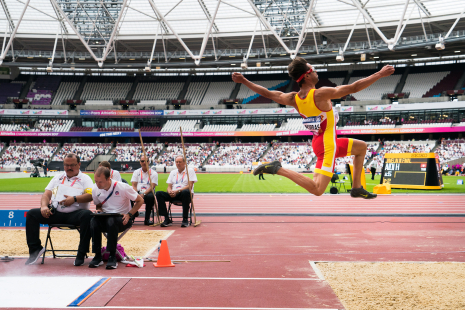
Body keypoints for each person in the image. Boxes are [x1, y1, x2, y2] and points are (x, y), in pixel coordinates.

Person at [233, 57, 395, 198]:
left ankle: (356, 188)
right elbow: (352, 88)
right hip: (327, 146)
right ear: (308, 75)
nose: (317, 73)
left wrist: (244, 81)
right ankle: (278, 169)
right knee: (317, 189)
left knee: (361, 147)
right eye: (314, 70)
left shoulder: (293, 98)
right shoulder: (319, 94)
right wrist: (379, 74)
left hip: (321, 141)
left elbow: (268, 93)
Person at [25, 153, 93, 265]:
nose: (69, 168)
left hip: (75, 215)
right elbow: (47, 194)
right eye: (66, 165)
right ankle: (35, 249)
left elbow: (90, 196)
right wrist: (44, 206)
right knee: (32, 214)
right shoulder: (58, 178)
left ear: (79, 164)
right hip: (56, 213)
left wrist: (74, 199)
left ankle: (81, 253)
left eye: (72, 165)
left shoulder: (85, 179)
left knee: (88, 215)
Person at [89, 167, 144, 269]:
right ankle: (97, 255)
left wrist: (129, 214)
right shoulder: (95, 188)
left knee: (111, 221)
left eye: (100, 182)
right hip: (105, 217)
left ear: (108, 178)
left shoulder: (123, 187)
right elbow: (99, 205)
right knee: (93, 221)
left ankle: (112, 255)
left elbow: (140, 200)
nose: (97, 184)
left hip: (122, 219)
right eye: (96, 181)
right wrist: (99, 210)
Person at [156, 155, 197, 227]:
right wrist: (170, 192)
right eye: (177, 162)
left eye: (180, 162)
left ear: (184, 163)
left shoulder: (190, 171)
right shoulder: (173, 172)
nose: (178, 163)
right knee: (159, 193)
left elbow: (190, 186)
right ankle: (166, 219)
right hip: (173, 194)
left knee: (186, 192)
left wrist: (177, 191)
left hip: (184, 194)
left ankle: (185, 219)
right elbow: (169, 186)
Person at [131, 155, 158, 225]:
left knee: (151, 197)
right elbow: (134, 185)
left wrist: (144, 194)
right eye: (142, 161)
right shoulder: (136, 172)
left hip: (147, 192)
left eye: (145, 161)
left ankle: (147, 219)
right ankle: (132, 215)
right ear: (140, 162)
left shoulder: (154, 173)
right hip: (137, 192)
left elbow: (152, 187)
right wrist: (136, 193)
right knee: (128, 196)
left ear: (148, 162)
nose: (144, 163)